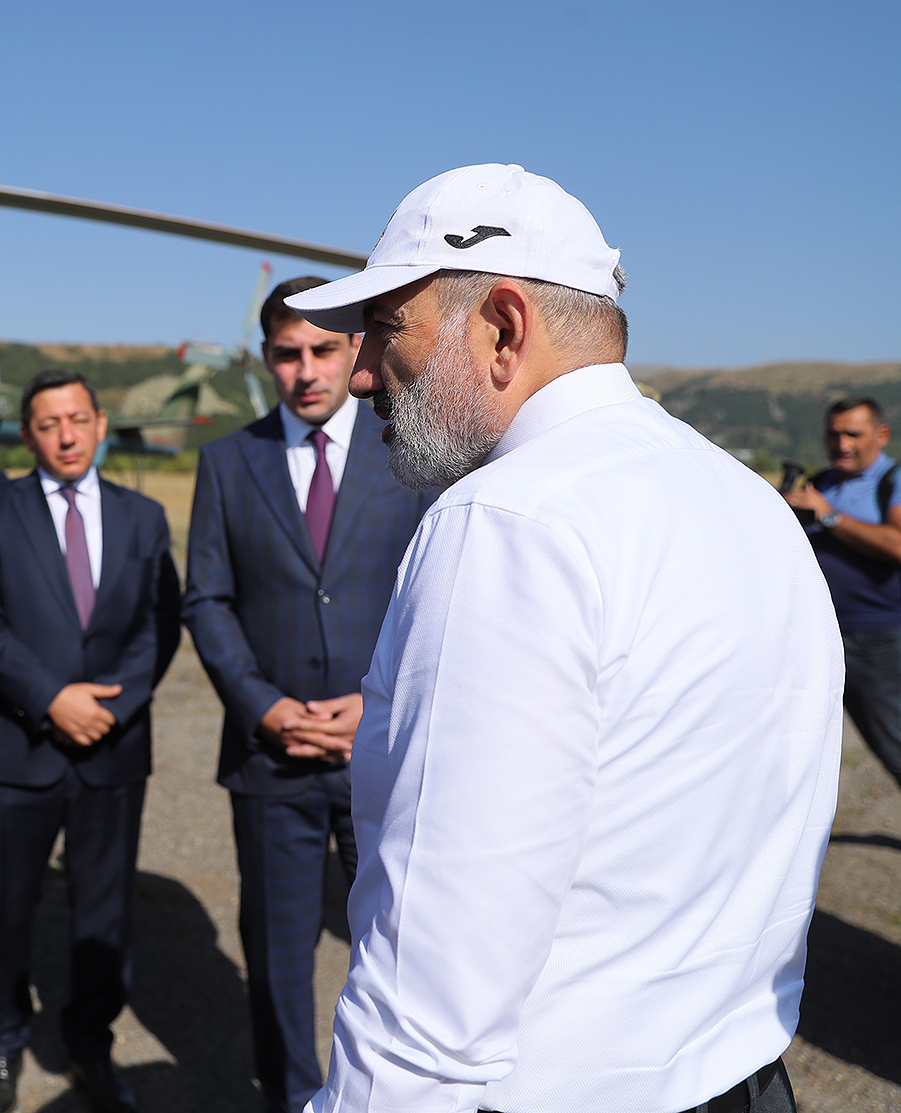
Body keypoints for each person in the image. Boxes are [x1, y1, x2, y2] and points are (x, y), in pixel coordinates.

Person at [282, 163, 841, 1113]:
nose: (362, 371)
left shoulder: (507, 521)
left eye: (386, 327)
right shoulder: (744, 496)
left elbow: (433, 990)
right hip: (745, 1079)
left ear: (503, 327)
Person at [181, 280, 432, 1113]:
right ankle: (291, 1097)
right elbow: (206, 599)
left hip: (383, 748)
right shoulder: (227, 461)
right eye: (288, 353)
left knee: (402, 948)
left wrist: (378, 700)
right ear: (266, 359)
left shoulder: (411, 450)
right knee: (277, 955)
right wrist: (263, 705)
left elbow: (434, 591)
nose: (307, 369)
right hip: (272, 757)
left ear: (356, 348)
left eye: (324, 349)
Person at [0, 369, 181, 1113]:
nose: (66, 436)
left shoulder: (144, 516)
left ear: (100, 423)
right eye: (49, 423)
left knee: (104, 913)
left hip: (112, 749)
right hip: (18, 747)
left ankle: (91, 1043)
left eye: (78, 419)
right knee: (4, 905)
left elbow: (160, 623)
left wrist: (115, 704)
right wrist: (50, 698)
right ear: (27, 434)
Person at [784, 397, 901, 791]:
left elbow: (898, 544)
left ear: (881, 435)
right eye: (834, 435)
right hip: (818, 635)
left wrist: (828, 516)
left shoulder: (893, 480)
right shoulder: (821, 483)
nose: (842, 444)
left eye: (853, 434)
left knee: (894, 744)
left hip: (878, 637)